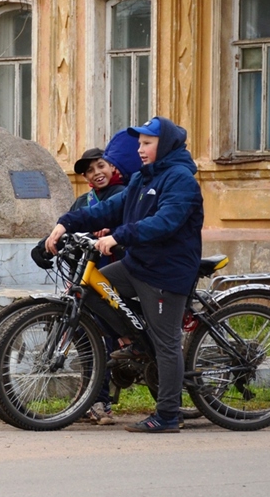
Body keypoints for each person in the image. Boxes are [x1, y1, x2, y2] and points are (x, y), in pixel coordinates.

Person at [45, 116, 203, 433]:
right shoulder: (142, 179)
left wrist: (120, 237)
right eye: (139, 143)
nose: (140, 149)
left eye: (147, 143)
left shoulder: (181, 179)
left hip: (166, 271)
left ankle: (168, 415)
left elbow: (165, 222)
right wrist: (66, 223)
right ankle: (138, 341)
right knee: (89, 289)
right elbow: (109, 208)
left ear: (165, 144)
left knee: (167, 342)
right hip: (139, 264)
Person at [69, 131, 141, 425]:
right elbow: (70, 226)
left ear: (112, 167)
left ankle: (100, 401)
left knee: (114, 337)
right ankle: (93, 397)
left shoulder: (127, 193)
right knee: (87, 335)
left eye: (101, 166)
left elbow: (131, 225)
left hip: (122, 275)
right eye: (90, 170)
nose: (96, 173)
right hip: (89, 277)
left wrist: (112, 233)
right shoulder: (83, 201)